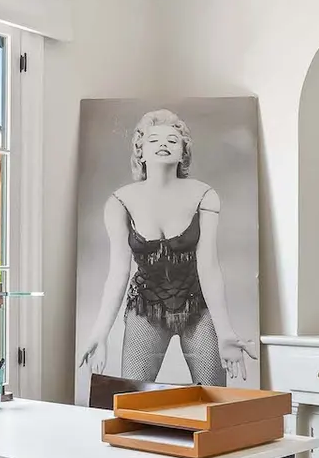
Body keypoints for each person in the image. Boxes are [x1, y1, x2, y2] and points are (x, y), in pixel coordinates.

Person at [77, 109, 253, 386]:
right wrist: (100, 332)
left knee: (214, 397)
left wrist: (226, 332)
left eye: (172, 140)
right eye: (154, 140)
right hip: (145, 308)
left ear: (183, 153)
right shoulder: (120, 201)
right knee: (132, 398)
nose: (163, 144)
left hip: (198, 307)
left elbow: (208, 267)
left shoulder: (204, 195)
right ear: (140, 152)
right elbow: (118, 272)